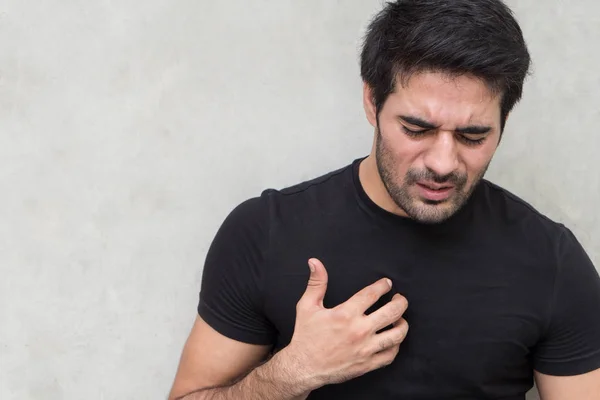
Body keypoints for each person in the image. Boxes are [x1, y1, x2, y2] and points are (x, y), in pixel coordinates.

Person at [169, 1, 600, 399]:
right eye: (416, 129)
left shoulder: (552, 262)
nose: (443, 162)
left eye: (473, 136)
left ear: (503, 122)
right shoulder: (265, 232)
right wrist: (293, 372)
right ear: (372, 103)